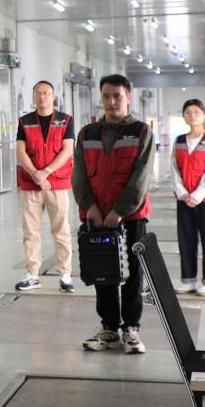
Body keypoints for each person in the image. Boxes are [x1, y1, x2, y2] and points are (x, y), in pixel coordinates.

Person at [72, 74, 157, 355]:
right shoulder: (87, 134)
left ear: (128, 97)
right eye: (106, 96)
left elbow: (141, 176)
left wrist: (120, 211)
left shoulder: (141, 132)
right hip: (96, 217)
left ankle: (131, 329)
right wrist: (91, 208)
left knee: (133, 275)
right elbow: (78, 174)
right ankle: (108, 328)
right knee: (103, 273)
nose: (111, 102)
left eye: (117, 96)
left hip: (131, 218)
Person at [13, 79, 76, 294]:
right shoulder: (25, 122)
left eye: (46, 93)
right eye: (38, 93)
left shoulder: (66, 120)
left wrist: (46, 172)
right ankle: (32, 274)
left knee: (61, 230)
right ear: (33, 96)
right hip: (31, 185)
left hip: (57, 183)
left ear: (54, 96)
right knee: (30, 231)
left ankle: (65, 275)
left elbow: (67, 150)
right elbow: (20, 152)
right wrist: (35, 174)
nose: (42, 97)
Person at [171, 99, 205, 295]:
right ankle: (189, 280)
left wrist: (198, 194)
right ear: (183, 116)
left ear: (204, 115)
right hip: (184, 199)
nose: (192, 115)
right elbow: (174, 169)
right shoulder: (179, 141)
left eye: (196, 112)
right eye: (188, 112)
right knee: (186, 239)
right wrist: (183, 193)